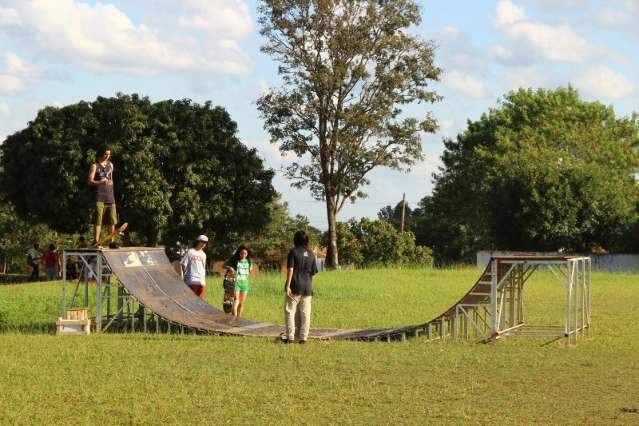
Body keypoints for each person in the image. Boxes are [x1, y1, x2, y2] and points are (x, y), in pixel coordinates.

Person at [284, 230, 318, 344]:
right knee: (305, 313)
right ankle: (303, 338)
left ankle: (291, 337)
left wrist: (288, 286)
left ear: (295, 240)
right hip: (307, 287)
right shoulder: (312, 254)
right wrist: (309, 285)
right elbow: (313, 273)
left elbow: (290, 269)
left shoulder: (293, 252)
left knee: (290, 311)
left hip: (294, 286)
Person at [88, 147, 117, 247]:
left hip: (110, 195)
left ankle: (112, 242)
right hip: (99, 195)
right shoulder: (95, 166)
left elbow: (111, 178)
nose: (107, 156)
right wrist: (101, 182)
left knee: (112, 220)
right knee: (98, 220)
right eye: (105, 154)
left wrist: (111, 182)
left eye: (109, 154)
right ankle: (96, 241)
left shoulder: (111, 165)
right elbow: (90, 181)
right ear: (101, 154)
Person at [224, 245, 253, 318]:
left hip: (245, 284)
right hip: (235, 283)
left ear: (247, 254)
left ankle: (238, 319)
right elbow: (223, 265)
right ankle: (234, 317)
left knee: (241, 303)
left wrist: (250, 269)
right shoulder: (234, 260)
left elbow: (250, 270)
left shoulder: (249, 261)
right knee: (236, 300)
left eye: (245, 253)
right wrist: (230, 267)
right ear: (239, 253)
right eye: (242, 253)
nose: (243, 255)